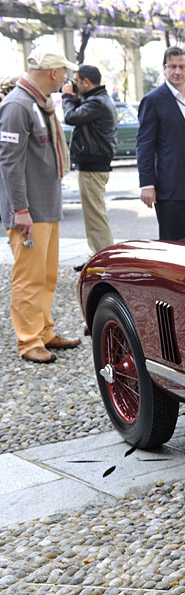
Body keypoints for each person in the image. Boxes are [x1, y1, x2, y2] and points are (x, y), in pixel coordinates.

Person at [0, 47, 81, 363]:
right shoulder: (18, 106)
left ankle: (44, 331)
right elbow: (9, 162)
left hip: (45, 207)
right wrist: (20, 209)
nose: (65, 77)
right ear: (52, 73)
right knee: (29, 278)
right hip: (29, 211)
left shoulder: (39, 104)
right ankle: (29, 341)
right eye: (63, 71)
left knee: (46, 275)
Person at [137, 46, 185, 241]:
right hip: (171, 187)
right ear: (164, 68)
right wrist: (147, 184)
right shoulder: (153, 100)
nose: (177, 71)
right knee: (174, 246)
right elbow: (145, 145)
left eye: (181, 66)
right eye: (172, 66)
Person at [60, 64, 117, 266]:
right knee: (94, 213)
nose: (74, 85)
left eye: (76, 81)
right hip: (93, 163)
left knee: (95, 215)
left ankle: (104, 260)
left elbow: (71, 117)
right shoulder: (98, 99)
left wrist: (67, 98)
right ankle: (99, 256)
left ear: (86, 82)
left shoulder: (97, 103)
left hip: (93, 165)